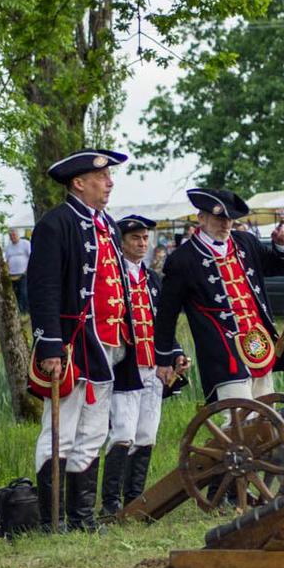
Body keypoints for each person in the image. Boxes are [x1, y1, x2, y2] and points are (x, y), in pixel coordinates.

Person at [27, 148, 142, 532]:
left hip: (108, 343)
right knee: (59, 432)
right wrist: (49, 346)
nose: (110, 183)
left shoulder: (107, 224)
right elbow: (42, 289)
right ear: (79, 182)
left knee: (93, 431)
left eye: (109, 177)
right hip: (72, 346)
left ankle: (81, 517)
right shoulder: (55, 224)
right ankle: (52, 519)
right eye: (102, 177)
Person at [153, 188, 284, 404]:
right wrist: (164, 358)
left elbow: (278, 267)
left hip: (258, 339)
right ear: (201, 218)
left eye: (230, 218)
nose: (226, 224)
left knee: (266, 409)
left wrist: (281, 245)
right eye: (220, 218)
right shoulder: (182, 259)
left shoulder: (246, 242)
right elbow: (167, 313)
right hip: (221, 349)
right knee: (238, 411)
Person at [99, 215, 189, 518]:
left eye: (145, 238)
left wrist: (174, 353)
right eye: (135, 238)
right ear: (122, 241)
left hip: (154, 365)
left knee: (147, 433)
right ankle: (111, 502)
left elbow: (164, 324)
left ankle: (134, 499)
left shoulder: (152, 279)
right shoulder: (113, 276)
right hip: (126, 367)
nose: (142, 243)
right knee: (123, 431)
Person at [4, 229, 31, 314]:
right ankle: (18, 311)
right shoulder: (8, 247)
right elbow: (7, 261)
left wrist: (27, 270)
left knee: (23, 293)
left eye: (14, 235)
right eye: (11, 236)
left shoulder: (25, 243)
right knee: (15, 294)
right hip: (12, 275)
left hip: (23, 273)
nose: (13, 237)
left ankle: (26, 311)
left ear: (18, 235)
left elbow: (31, 257)